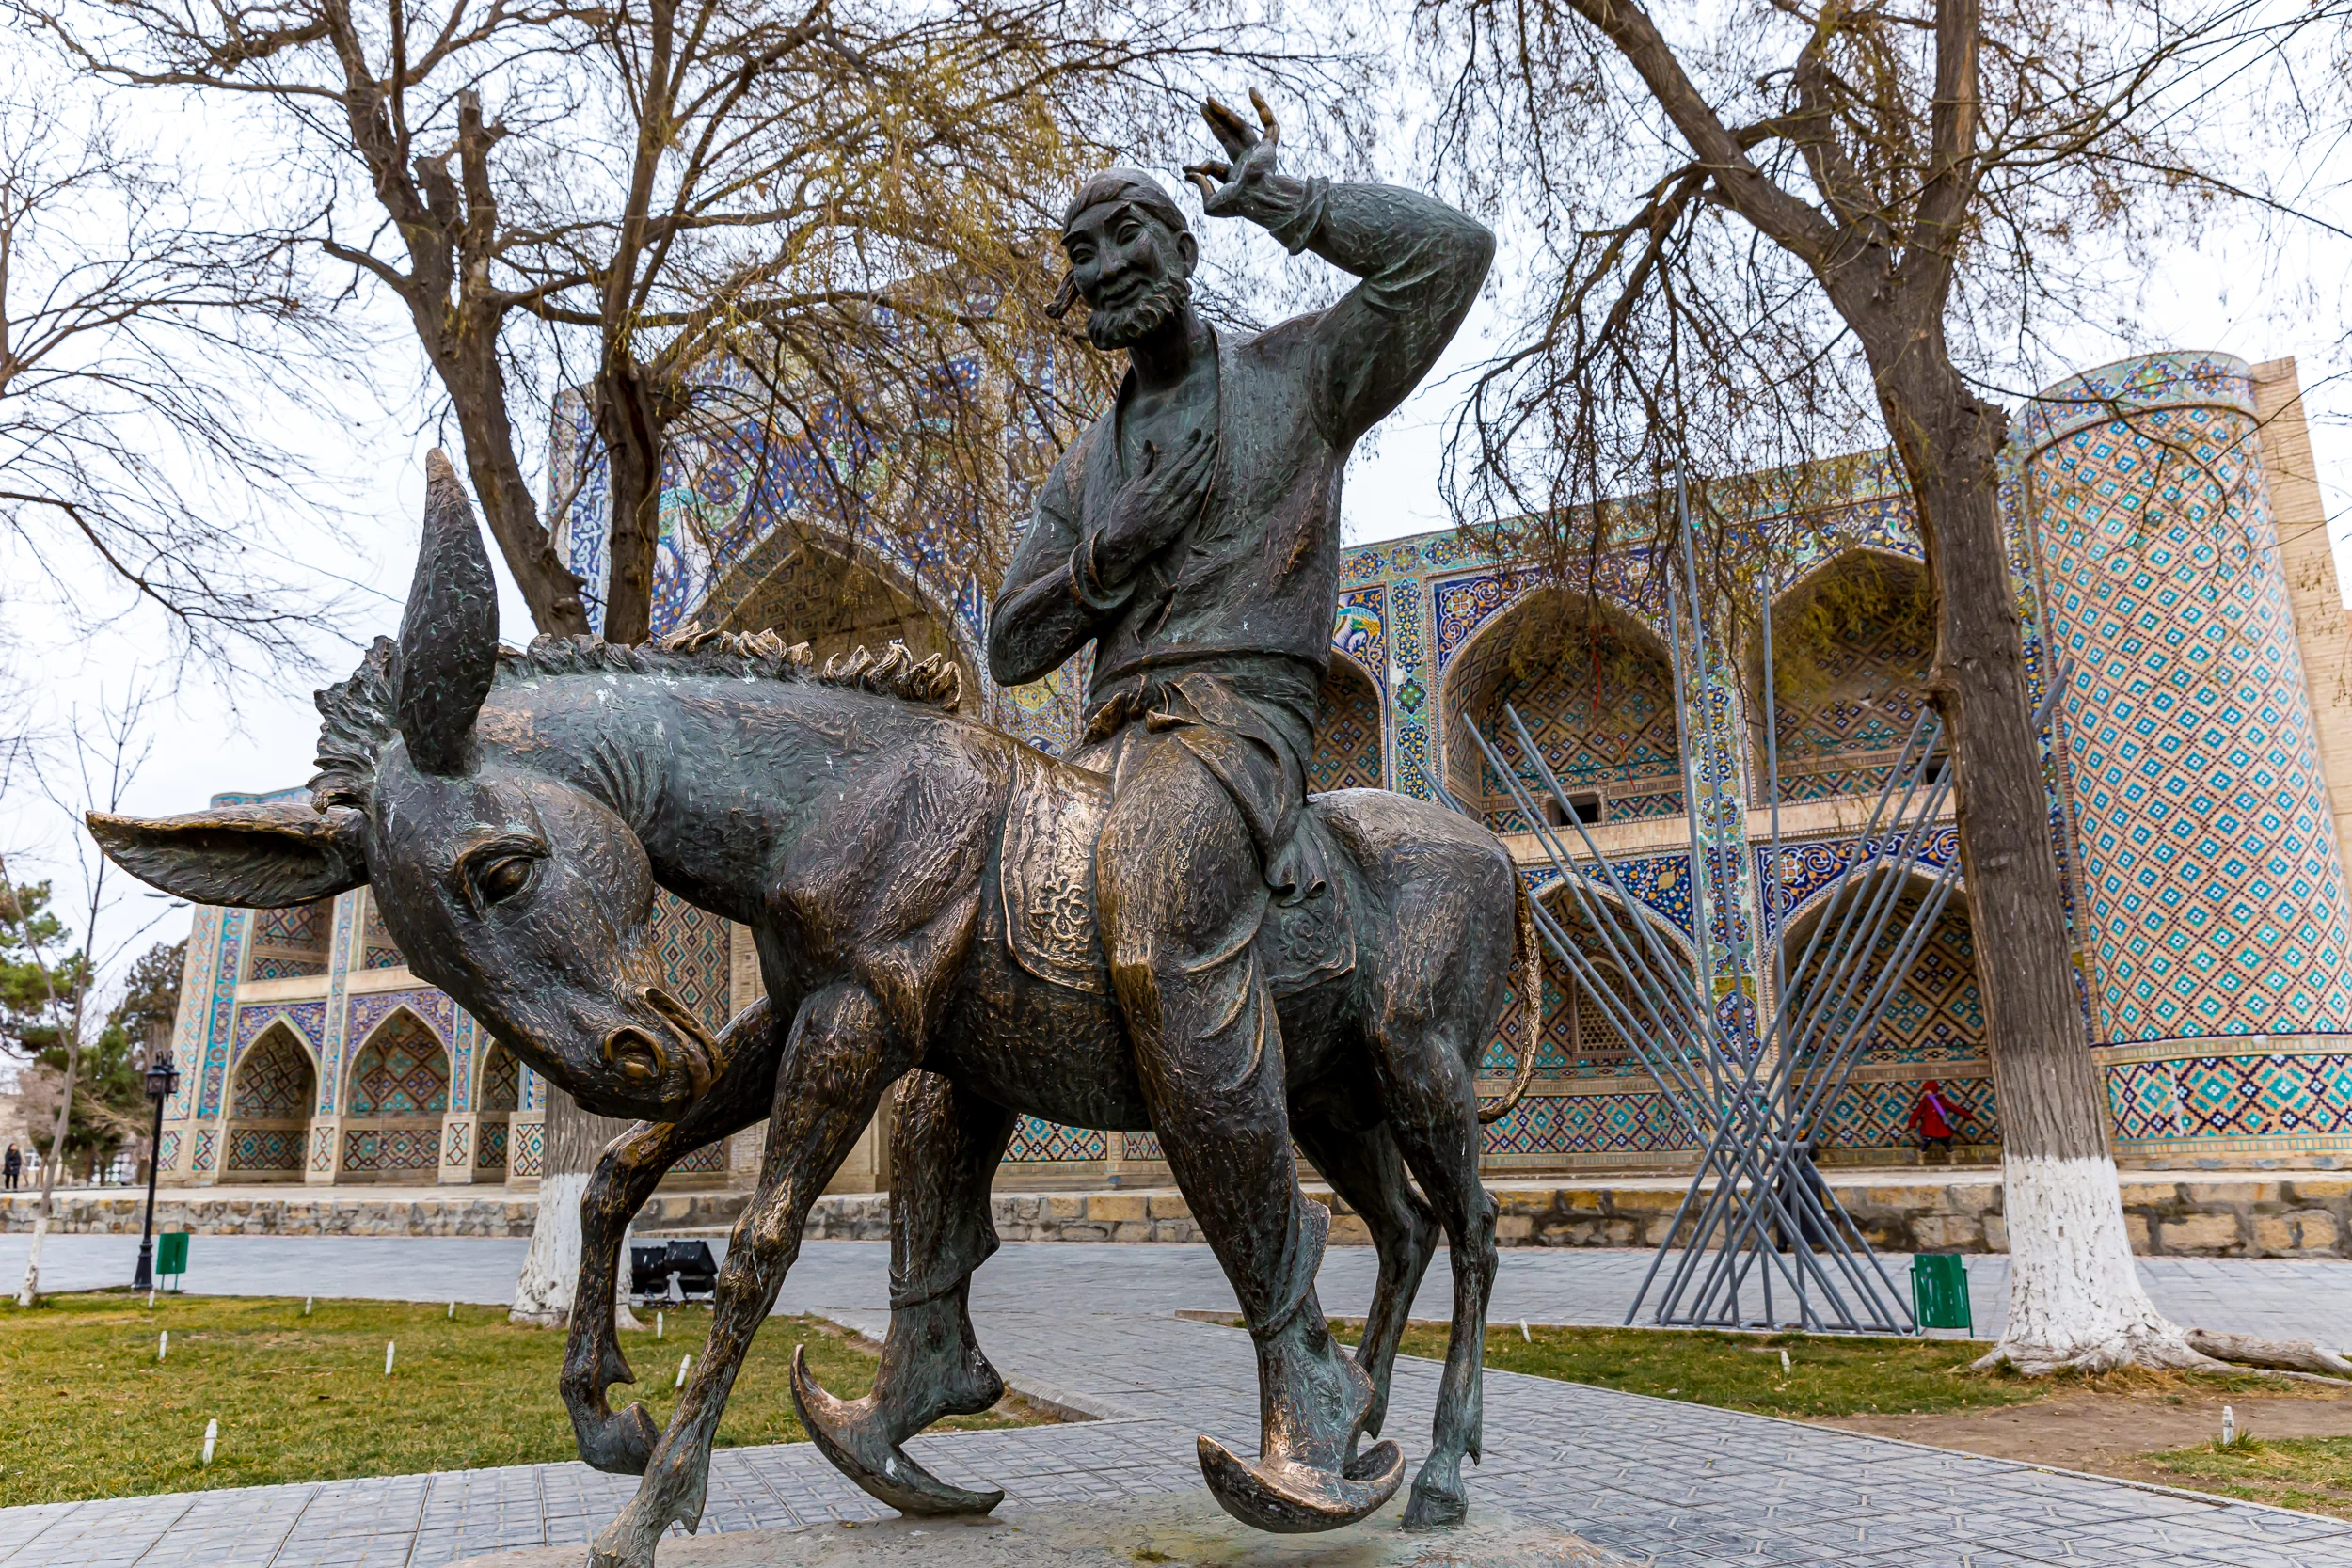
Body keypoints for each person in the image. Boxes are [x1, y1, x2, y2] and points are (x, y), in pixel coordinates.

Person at [987, 92, 1491, 1516]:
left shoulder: (1300, 379)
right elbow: (1007, 644)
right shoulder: (1084, 468)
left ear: (1180, 246)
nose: (1102, 269)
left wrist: (1286, 196)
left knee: (1155, 921)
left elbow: (1453, 253)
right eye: (1079, 254)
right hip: (1110, 735)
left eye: (1127, 235)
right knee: (932, 945)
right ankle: (926, 1341)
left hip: (1238, 728)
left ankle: (1300, 1356)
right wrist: (1105, 558)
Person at [1908, 1079, 1968, 1162]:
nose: (1926, 1092)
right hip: (1929, 1125)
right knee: (1927, 1141)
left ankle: (1952, 1157)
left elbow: (1954, 1108)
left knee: (1945, 1141)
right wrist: (1912, 1121)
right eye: (1925, 1090)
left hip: (1941, 1124)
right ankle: (1921, 1157)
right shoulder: (1925, 1101)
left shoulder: (1941, 1100)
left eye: (1928, 1090)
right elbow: (1918, 1111)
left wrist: (1966, 1115)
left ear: (1933, 1090)